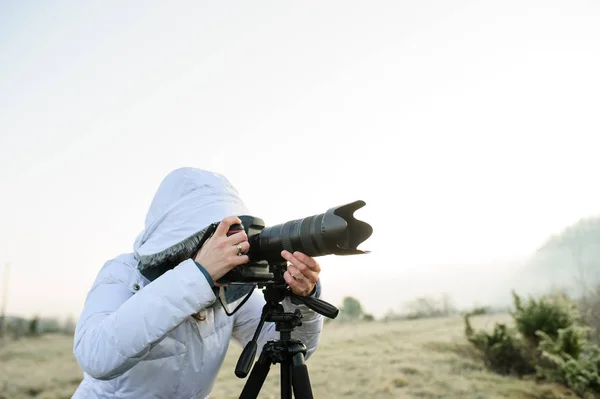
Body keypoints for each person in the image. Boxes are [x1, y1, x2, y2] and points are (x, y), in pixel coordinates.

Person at [71, 167, 324, 398]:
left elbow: (287, 345)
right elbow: (96, 357)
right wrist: (198, 275)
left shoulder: (230, 291)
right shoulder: (123, 273)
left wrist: (302, 300)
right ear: (182, 241)